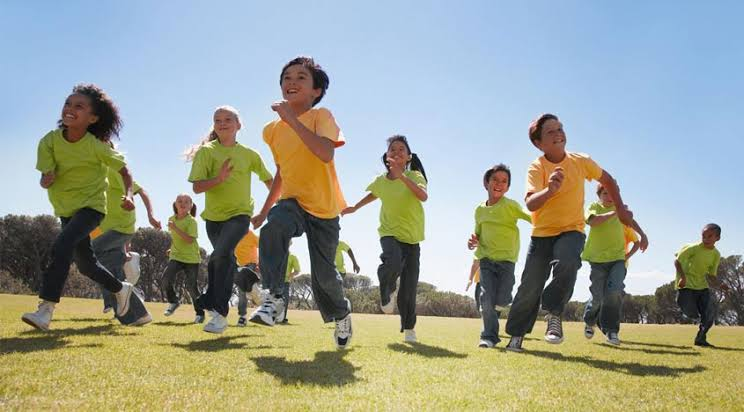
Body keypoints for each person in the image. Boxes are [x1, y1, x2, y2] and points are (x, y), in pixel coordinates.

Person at [504, 113, 634, 352]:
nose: (558, 133)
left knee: (568, 261)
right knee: (531, 285)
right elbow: (531, 203)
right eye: (551, 131)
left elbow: (610, 180)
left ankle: (554, 313)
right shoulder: (537, 167)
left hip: (572, 229)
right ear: (538, 142)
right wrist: (550, 190)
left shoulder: (580, 161)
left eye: (560, 128)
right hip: (542, 233)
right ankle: (516, 336)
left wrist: (621, 207)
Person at [249, 56, 353, 349]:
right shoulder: (271, 131)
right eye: (287, 77)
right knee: (273, 227)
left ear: (315, 91)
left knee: (324, 276)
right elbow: (282, 171)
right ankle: (274, 298)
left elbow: (325, 153)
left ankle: (342, 313)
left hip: (324, 208)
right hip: (292, 202)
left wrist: (292, 121)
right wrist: (264, 210)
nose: (292, 82)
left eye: (301, 78)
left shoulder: (322, 116)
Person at [22, 83, 145, 330]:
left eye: (79, 106)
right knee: (86, 265)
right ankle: (120, 289)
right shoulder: (49, 142)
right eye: (68, 103)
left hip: (92, 208)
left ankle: (45, 309)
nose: (70, 109)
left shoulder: (96, 146)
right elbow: (46, 177)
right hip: (67, 210)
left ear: (93, 118)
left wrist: (129, 195)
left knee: (62, 245)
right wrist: (46, 179)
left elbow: (125, 171)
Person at [187, 105, 273, 333]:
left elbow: (270, 182)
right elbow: (197, 187)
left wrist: (265, 211)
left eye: (228, 119)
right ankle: (250, 283)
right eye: (217, 120)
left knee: (220, 255)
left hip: (240, 215)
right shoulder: (207, 152)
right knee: (224, 261)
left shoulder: (249, 154)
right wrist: (219, 178)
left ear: (238, 125)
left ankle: (217, 312)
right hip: (213, 220)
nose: (222, 123)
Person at [343, 135, 427, 343]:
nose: (397, 152)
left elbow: (423, 196)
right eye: (393, 149)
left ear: (408, 157)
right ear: (387, 156)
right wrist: (354, 207)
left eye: (401, 149)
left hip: (412, 239)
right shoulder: (381, 181)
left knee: (408, 288)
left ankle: (408, 328)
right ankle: (386, 290)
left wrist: (402, 177)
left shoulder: (415, 175)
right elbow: (373, 194)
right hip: (389, 233)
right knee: (392, 260)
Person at [467, 164, 531, 348]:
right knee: (486, 298)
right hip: (486, 259)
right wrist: (473, 241)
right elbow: (477, 233)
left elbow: (530, 217)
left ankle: (498, 308)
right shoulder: (479, 210)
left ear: (508, 187)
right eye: (495, 179)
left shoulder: (510, 205)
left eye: (504, 181)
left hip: (507, 260)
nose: (499, 184)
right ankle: (488, 337)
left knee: (502, 299)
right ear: (486, 183)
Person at [581, 183, 648, 345]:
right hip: (597, 259)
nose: (609, 196)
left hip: (618, 258)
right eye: (605, 193)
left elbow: (631, 221)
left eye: (612, 193)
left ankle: (612, 331)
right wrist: (615, 212)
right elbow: (593, 221)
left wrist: (643, 235)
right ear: (599, 195)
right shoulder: (593, 207)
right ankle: (590, 321)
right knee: (597, 296)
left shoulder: (620, 210)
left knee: (614, 292)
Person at [92, 166, 161, 314]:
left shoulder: (114, 172)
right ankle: (131, 305)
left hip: (122, 228)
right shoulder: (92, 176)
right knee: (111, 268)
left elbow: (142, 191)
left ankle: (118, 295)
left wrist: (151, 216)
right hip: (106, 231)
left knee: (90, 254)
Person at [675, 223, 728, 347]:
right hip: (686, 286)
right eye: (703, 236)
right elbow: (677, 261)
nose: (706, 239)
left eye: (710, 236)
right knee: (690, 312)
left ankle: (700, 339)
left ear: (717, 238)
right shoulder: (693, 248)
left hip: (702, 287)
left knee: (708, 315)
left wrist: (720, 284)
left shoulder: (716, 254)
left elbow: (711, 275)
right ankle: (685, 305)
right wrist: (682, 277)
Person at [161, 194, 204, 323]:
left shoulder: (192, 221)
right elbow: (176, 238)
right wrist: (171, 247)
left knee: (191, 287)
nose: (182, 203)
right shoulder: (171, 219)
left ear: (191, 205)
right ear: (175, 204)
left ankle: (200, 314)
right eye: (179, 201)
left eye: (186, 202)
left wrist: (175, 228)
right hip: (176, 256)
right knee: (165, 280)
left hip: (191, 258)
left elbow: (190, 240)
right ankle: (173, 301)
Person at [234, 230, 261, 327]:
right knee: (244, 291)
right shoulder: (233, 234)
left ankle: (242, 317)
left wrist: (259, 262)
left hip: (250, 264)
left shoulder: (250, 234)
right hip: (238, 266)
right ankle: (257, 300)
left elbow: (261, 246)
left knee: (242, 290)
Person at [281, 248, 301, 324]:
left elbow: (297, 270)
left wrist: (289, 276)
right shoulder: (276, 255)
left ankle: (282, 318)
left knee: (284, 300)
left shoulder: (292, 257)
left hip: (285, 282)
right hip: (274, 281)